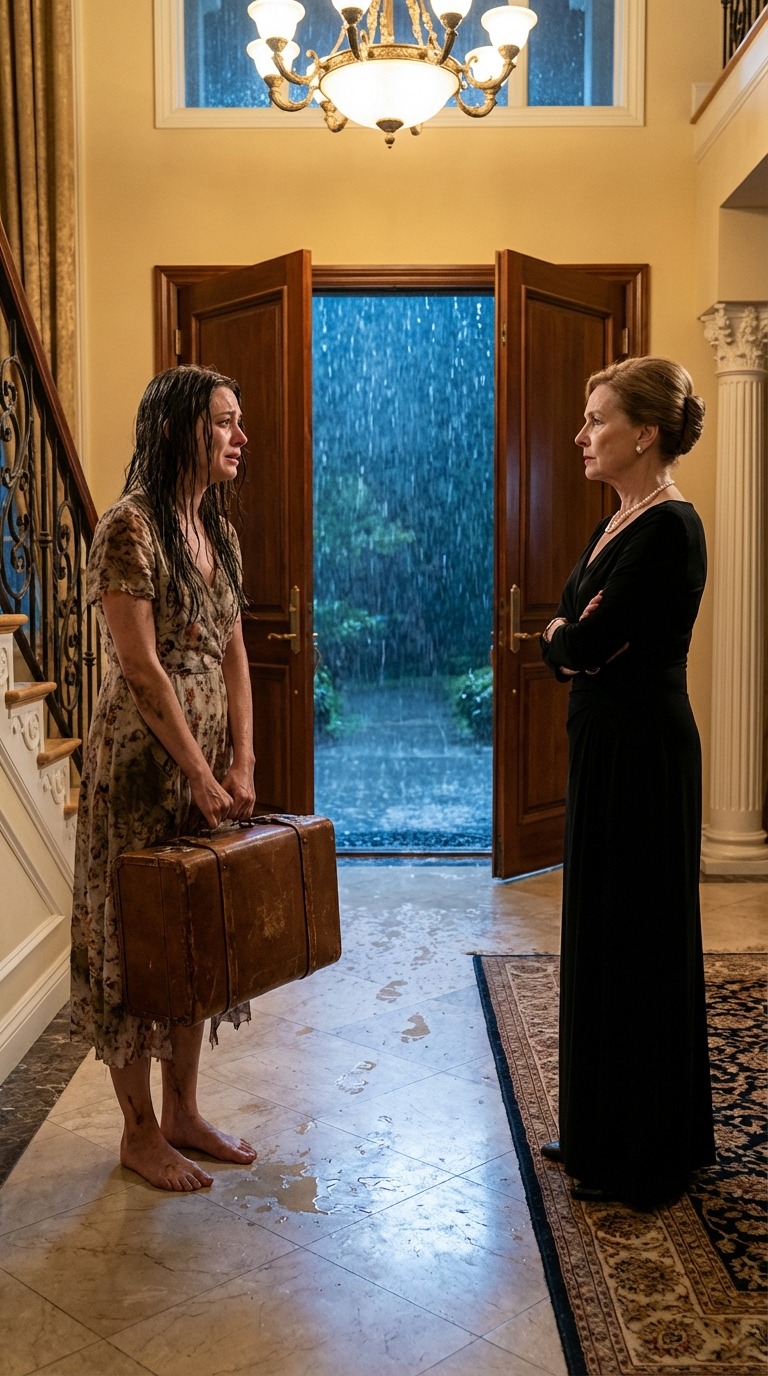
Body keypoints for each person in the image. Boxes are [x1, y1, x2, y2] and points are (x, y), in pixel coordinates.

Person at [71, 364, 259, 1191]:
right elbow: (143, 669)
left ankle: (184, 1112)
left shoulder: (216, 530)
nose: (239, 437)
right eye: (223, 421)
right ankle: (139, 1132)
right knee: (135, 935)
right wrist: (198, 773)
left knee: (192, 935)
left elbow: (235, 653)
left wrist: (242, 759)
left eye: (238, 421)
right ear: (181, 429)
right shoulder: (129, 527)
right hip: (143, 766)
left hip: (207, 763)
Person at [539, 356, 716, 1209]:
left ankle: (642, 1154)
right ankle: (600, 1131)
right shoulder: (621, 518)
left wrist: (565, 639)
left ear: (645, 433)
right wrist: (570, 637)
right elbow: (575, 630)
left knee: (637, 938)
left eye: (597, 419)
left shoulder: (668, 530)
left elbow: (577, 643)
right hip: (608, 744)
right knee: (602, 932)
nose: (581, 434)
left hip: (643, 754)